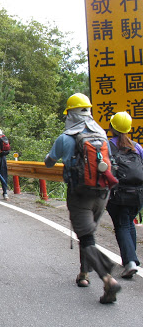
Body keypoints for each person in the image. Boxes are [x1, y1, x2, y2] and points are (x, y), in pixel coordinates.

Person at [45, 92, 121, 304]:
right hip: (102, 193)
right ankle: (84, 275)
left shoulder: (65, 138)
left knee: (86, 238)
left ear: (70, 113)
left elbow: (49, 162)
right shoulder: (102, 135)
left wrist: (54, 158)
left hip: (79, 194)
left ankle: (107, 278)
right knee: (89, 235)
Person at [106, 111, 143, 279]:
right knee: (128, 222)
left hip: (118, 194)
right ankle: (132, 259)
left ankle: (130, 262)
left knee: (122, 225)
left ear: (112, 127)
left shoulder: (108, 146)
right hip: (138, 194)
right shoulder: (137, 147)